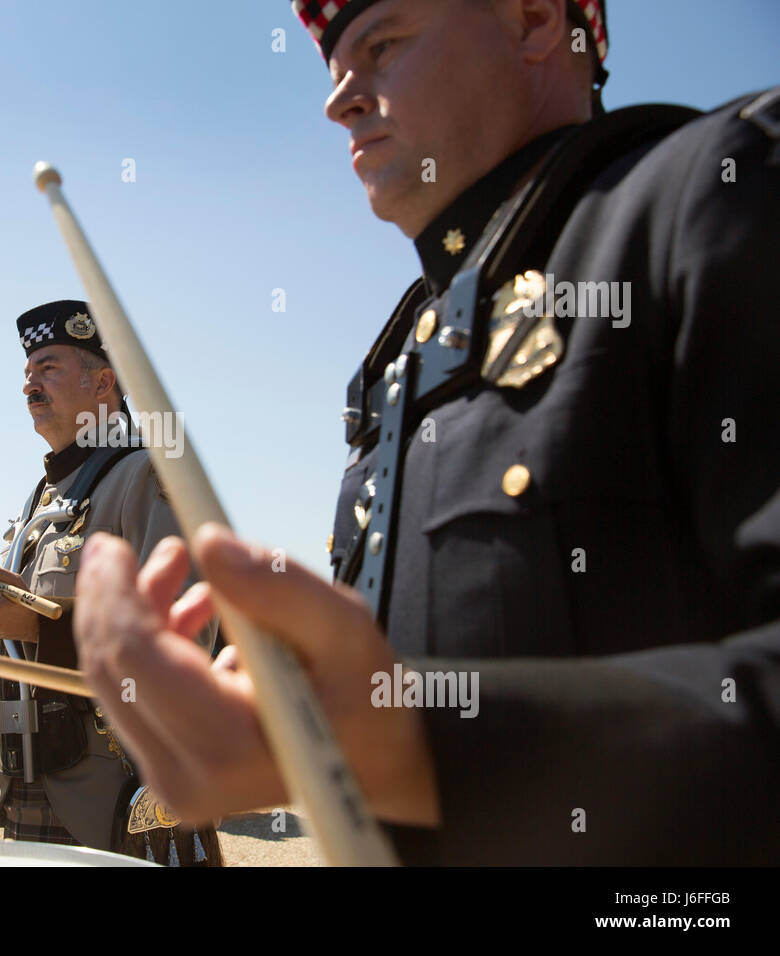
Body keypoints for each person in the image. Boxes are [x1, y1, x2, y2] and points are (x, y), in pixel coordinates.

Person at [71, 0, 780, 865]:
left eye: (382, 44)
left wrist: (405, 741)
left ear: (532, 20)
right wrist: (295, 708)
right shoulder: (410, 349)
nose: (340, 100)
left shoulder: (725, 192)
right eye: (334, 68)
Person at [0, 300, 221, 864]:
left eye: (48, 368)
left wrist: (40, 628)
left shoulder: (147, 473)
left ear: (104, 382)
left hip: (115, 796)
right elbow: (18, 644)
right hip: (32, 784)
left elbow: (179, 643)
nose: (30, 385)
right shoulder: (43, 501)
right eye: (26, 374)